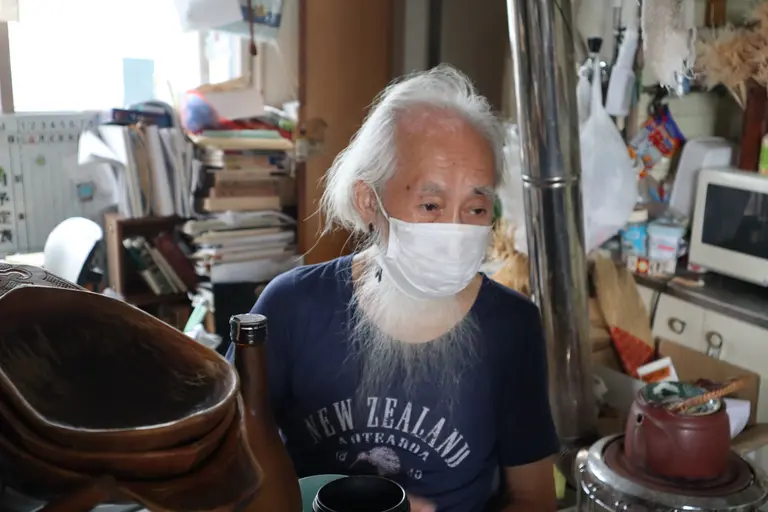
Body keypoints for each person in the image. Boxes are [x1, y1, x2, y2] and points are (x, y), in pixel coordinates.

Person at [226, 65, 559, 512]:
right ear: (369, 201)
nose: (455, 230)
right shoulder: (291, 307)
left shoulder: (512, 327)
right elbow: (226, 461)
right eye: (431, 204)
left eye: (476, 208)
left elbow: (534, 498)